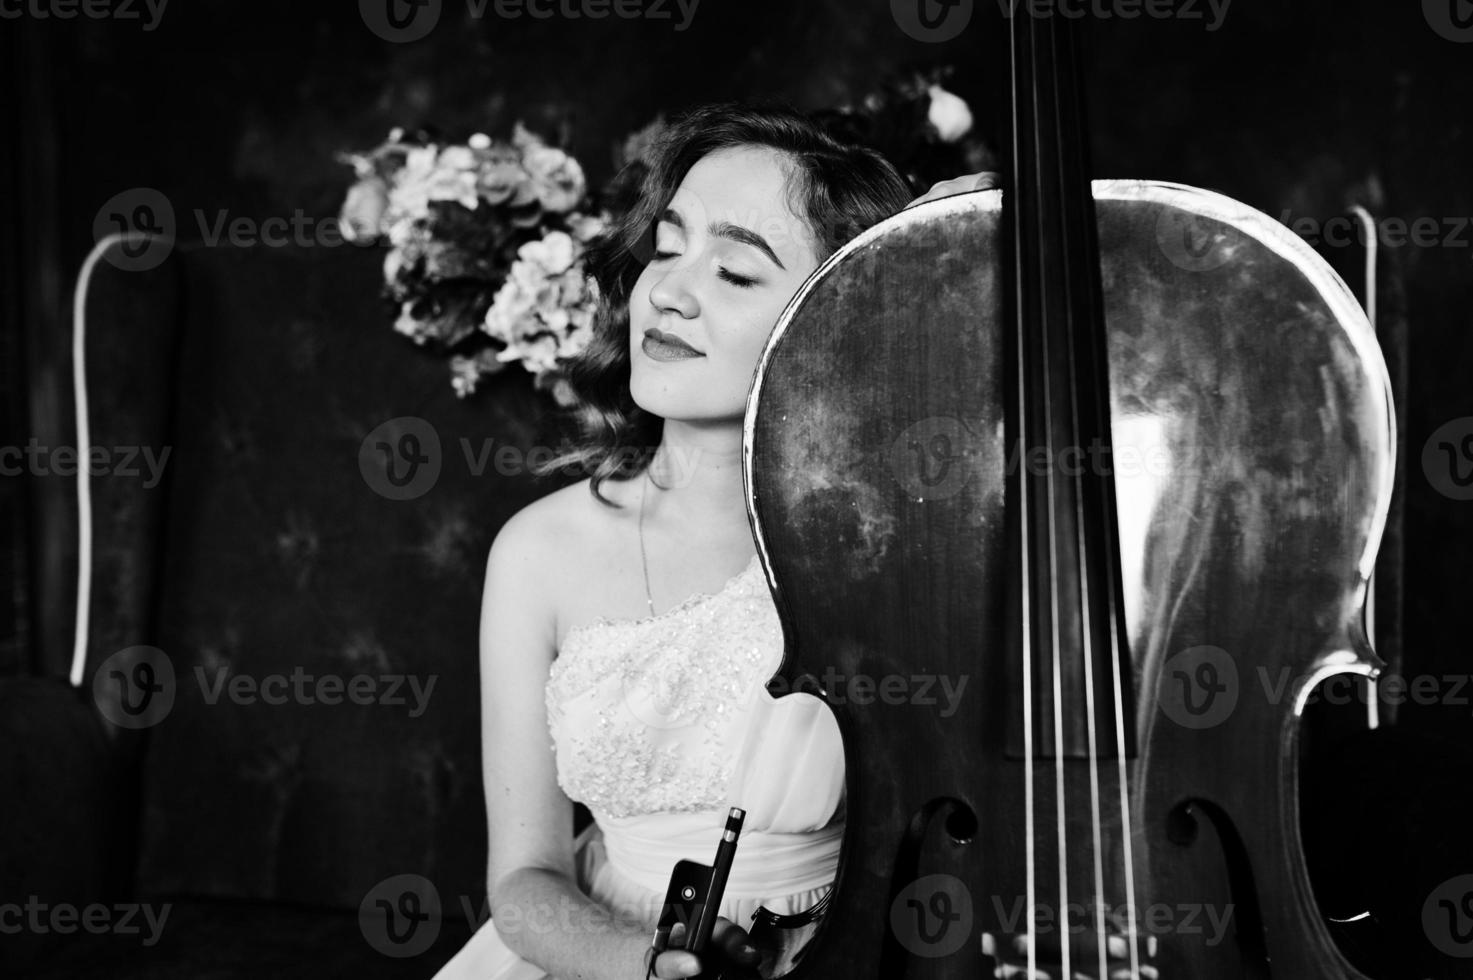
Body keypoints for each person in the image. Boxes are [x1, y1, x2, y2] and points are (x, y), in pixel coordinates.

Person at [430, 101, 995, 980]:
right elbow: (524, 880)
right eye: (665, 248)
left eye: (733, 271)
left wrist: (965, 253)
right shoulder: (536, 551)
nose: (668, 291)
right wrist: (651, 965)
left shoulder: (899, 544)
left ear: (839, 311)